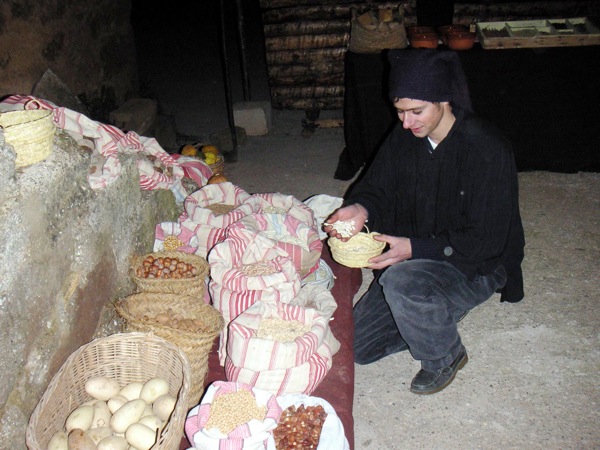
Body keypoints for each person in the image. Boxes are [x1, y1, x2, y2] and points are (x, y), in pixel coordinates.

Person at [325, 48, 525, 395]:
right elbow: (377, 187)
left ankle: (445, 356)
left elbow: (488, 240)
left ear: (444, 101)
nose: (405, 122)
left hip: (474, 262)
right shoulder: (406, 135)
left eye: (416, 111)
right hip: (421, 257)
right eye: (400, 111)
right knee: (359, 346)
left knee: (401, 282)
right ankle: (433, 309)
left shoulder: (486, 148)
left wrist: (414, 248)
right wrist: (361, 208)